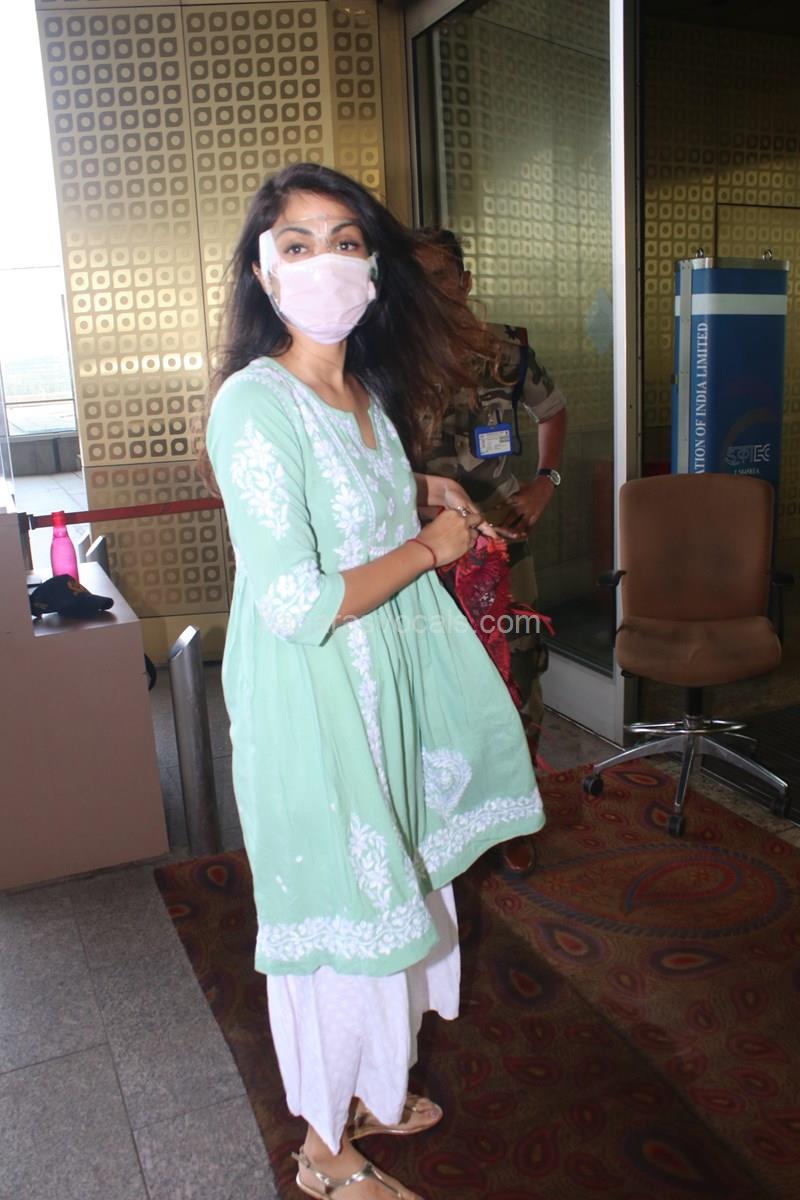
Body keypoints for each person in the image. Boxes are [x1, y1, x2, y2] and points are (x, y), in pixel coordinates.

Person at [202, 163, 544, 1200]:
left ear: (374, 267)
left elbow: (354, 501)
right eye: (297, 244)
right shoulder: (253, 405)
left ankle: (359, 1088)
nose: (326, 263)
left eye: (345, 241)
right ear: (263, 273)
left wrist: (419, 489)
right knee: (341, 914)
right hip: (314, 697)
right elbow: (295, 600)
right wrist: (432, 547)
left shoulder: (362, 396)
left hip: (383, 684)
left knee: (394, 888)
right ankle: (323, 1154)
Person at [417, 229, 567, 877]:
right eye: (415, 278)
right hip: (421, 553)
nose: (431, 290)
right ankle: (445, 817)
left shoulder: (508, 355)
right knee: (435, 683)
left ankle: (515, 813)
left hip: (504, 544)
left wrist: (545, 481)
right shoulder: (387, 358)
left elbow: (553, 412)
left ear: (465, 281)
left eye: (441, 276)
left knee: (519, 673)